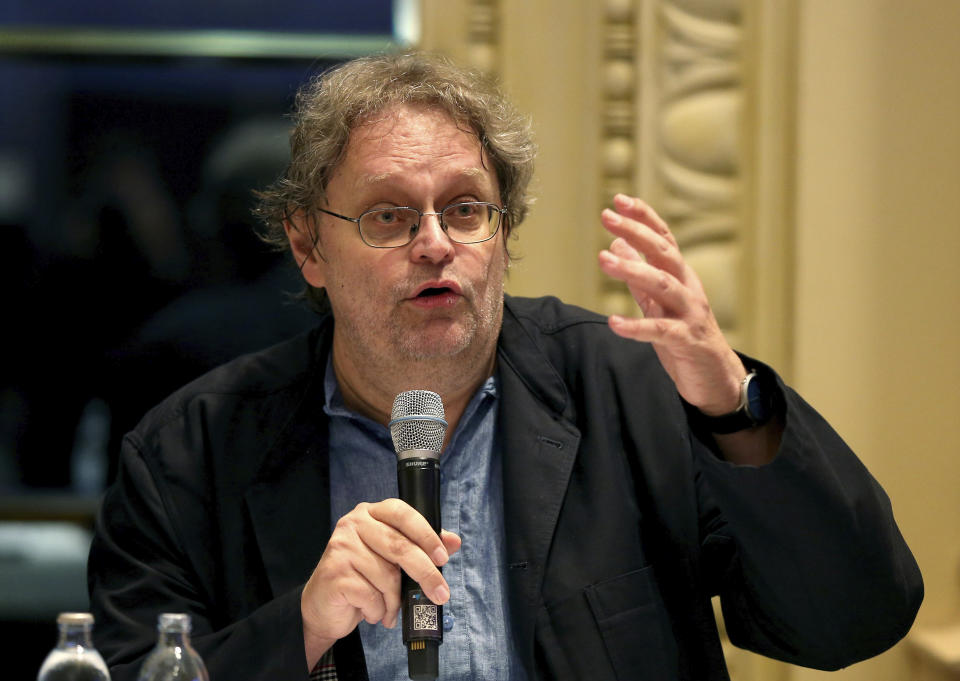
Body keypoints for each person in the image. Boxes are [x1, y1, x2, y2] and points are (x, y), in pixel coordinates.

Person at [87, 52, 922, 681]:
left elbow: (853, 621)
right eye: (388, 215)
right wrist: (302, 626)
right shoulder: (187, 453)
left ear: (504, 235)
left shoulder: (635, 388)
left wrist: (731, 407)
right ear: (308, 245)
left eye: (464, 209)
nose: (435, 243)